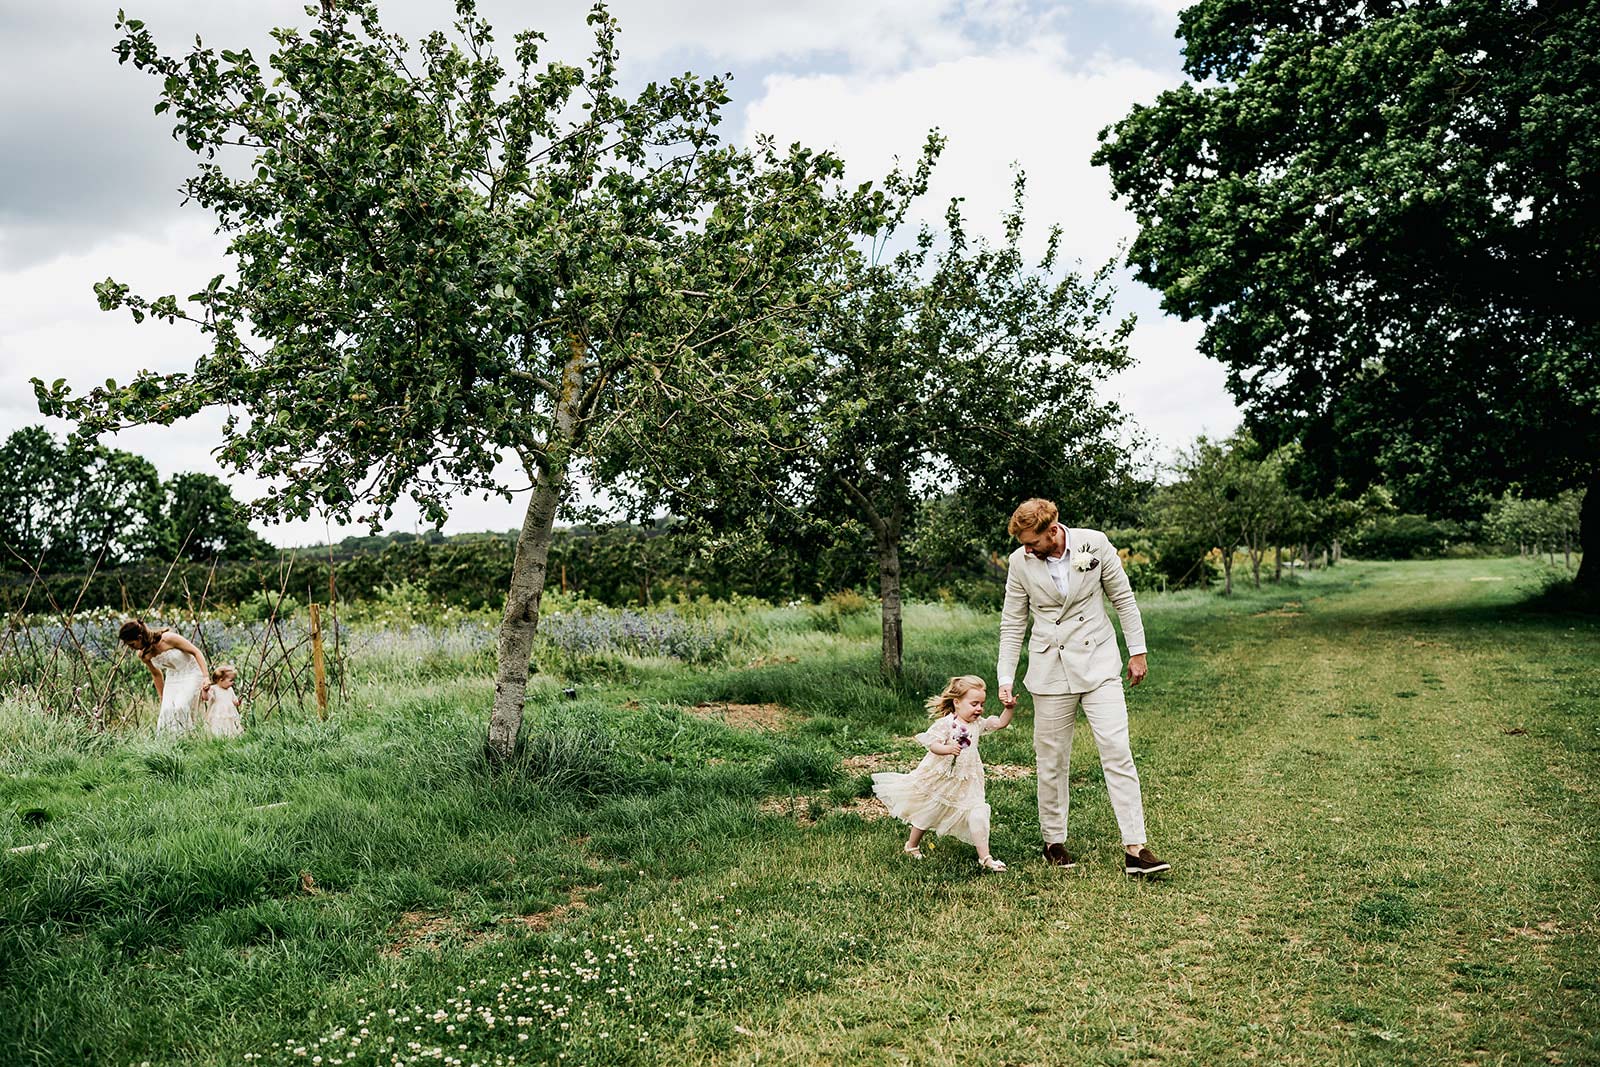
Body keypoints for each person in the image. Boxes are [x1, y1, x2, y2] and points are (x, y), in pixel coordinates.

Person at [997, 498, 1170, 876]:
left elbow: (1123, 599)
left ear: (1052, 530)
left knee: (1116, 748)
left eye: (1033, 542)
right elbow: (1012, 622)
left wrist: (1137, 651)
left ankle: (1136, 848)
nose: (1027, 549)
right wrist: (1005, 677)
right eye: (1023, 544)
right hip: (1050, 667)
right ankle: (1054, 841)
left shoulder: (1095, 544)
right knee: (1052, 758)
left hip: (1099, 661)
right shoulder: (1018, 562)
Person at [872, 675, 1015, 872]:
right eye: (974, 704)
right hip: (942, 776)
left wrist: (1009, 709)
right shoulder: (946, 724)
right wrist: (947, 748)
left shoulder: (978, 724)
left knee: (977, 810)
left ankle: (985, 857)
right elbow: (933, 744)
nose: (979, 709)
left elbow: (999, 723)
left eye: (981, 704)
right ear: (957, 702)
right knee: (929, 809)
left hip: (967, 777)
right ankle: (911, 845)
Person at [118, 620, 211, 735]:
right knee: (166, 710)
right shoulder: (143, 655)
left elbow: (196, 652)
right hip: (172, 677)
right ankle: (174, 744)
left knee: (181, 707)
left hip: (191, 671)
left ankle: (191, 737)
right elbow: (156, 674)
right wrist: (162, 696)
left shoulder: (168, 638)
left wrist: (206, 677)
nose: (132, 648)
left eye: (132, 644)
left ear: (140, 637)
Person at [204, 664, 244, 738]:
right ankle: (218, 737)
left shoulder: (230, 689)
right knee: (218, 724)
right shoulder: (214, 689)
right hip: (217, 713)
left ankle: (230, 736)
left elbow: (234, 701)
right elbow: (206, 698)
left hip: (229, 712)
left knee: (230, 724)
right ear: (221, 680)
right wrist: (205, 691)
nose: (232, 683)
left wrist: (238, 702)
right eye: (230, 680)